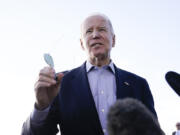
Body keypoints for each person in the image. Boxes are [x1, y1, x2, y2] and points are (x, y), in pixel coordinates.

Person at [21, 13, 157, 135]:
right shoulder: (61, 83)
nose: (95, 35)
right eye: (88, 31)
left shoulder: (139, 84)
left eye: (102, 29)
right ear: (81, 44)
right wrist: (41, 106)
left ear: (113, 40)